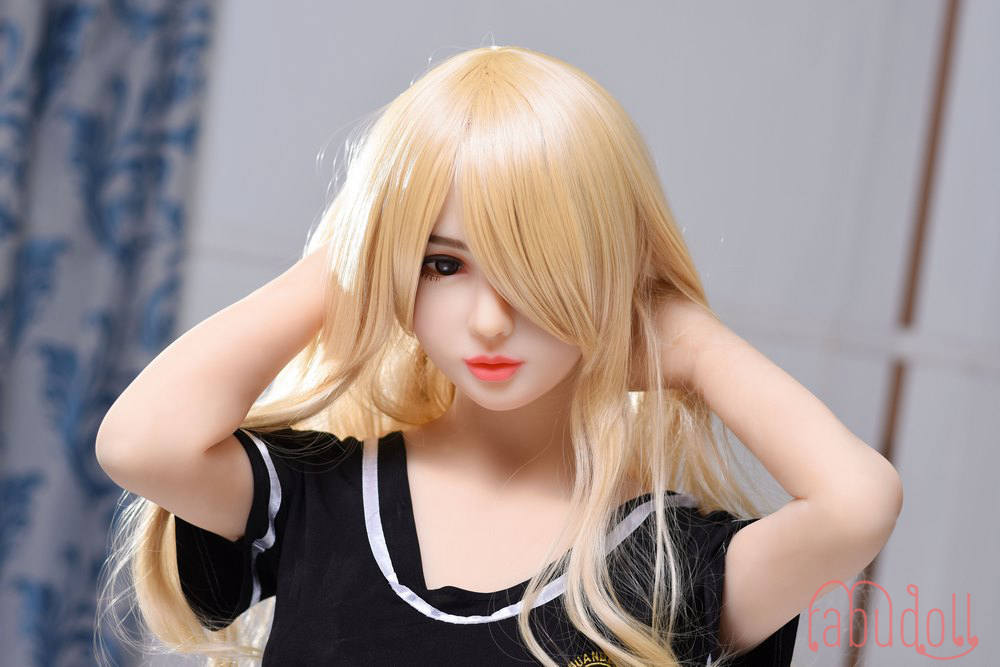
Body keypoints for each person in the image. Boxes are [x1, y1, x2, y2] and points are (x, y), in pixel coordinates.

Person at [94, 45, 903, 666]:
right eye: (442, 264)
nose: (488, 320)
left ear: (617, 275)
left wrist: (690, 345)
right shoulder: (320, 497)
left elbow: (858, 505)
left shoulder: (668, 564)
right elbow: (141, 443)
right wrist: (346, 262)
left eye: (539, 267)